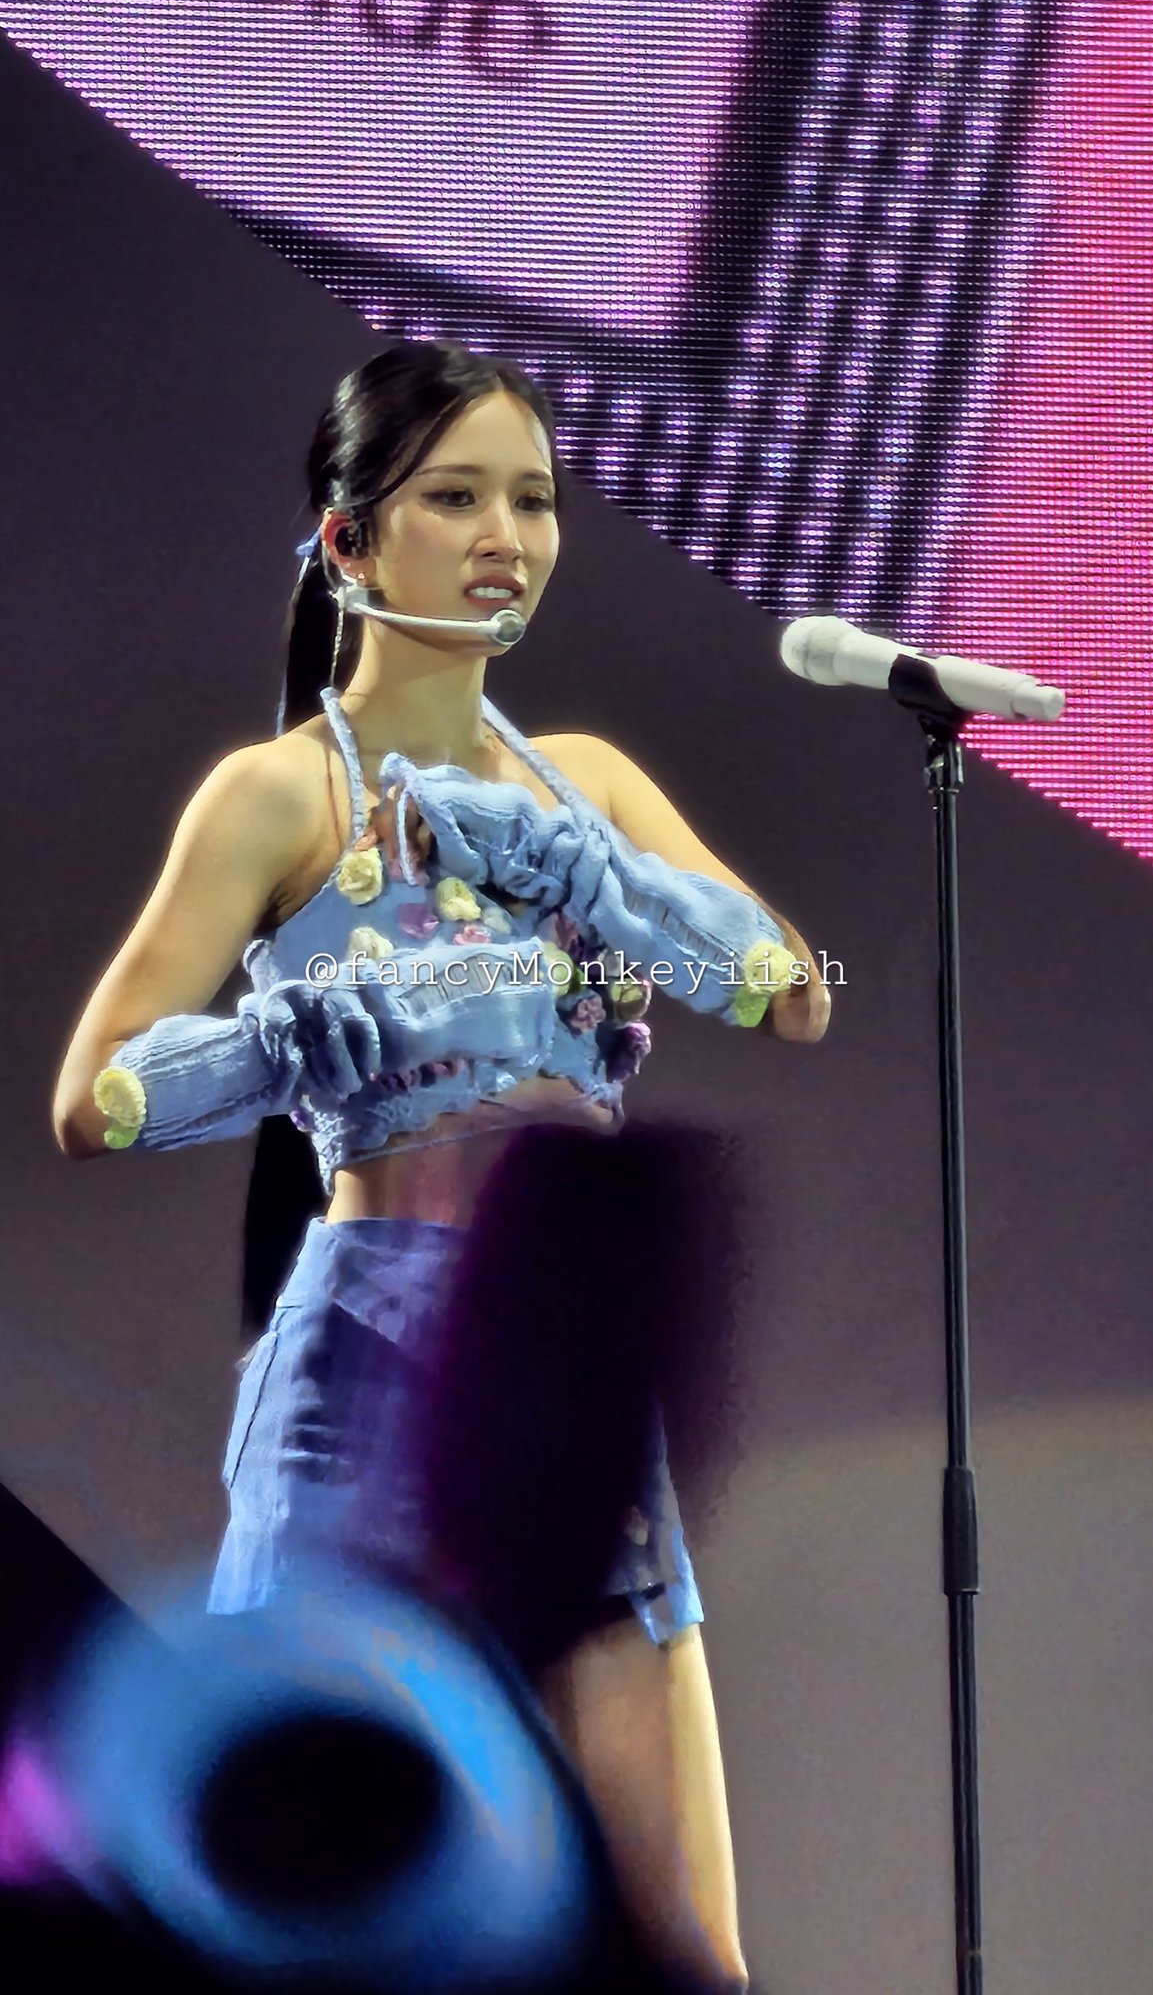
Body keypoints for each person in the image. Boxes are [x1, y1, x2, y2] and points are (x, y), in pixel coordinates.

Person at [52, 337, 831, 1993]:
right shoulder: (276, 796)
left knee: (682, 1940)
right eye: (456, 499)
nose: (505, 540)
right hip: (365, 1339)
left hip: (548, 1349)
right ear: (349, 539)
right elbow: (93, 1100)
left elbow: (784, 991)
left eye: (533, 503)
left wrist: (592, 876)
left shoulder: (585, 783)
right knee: (327, 1888)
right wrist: (275, 1045)